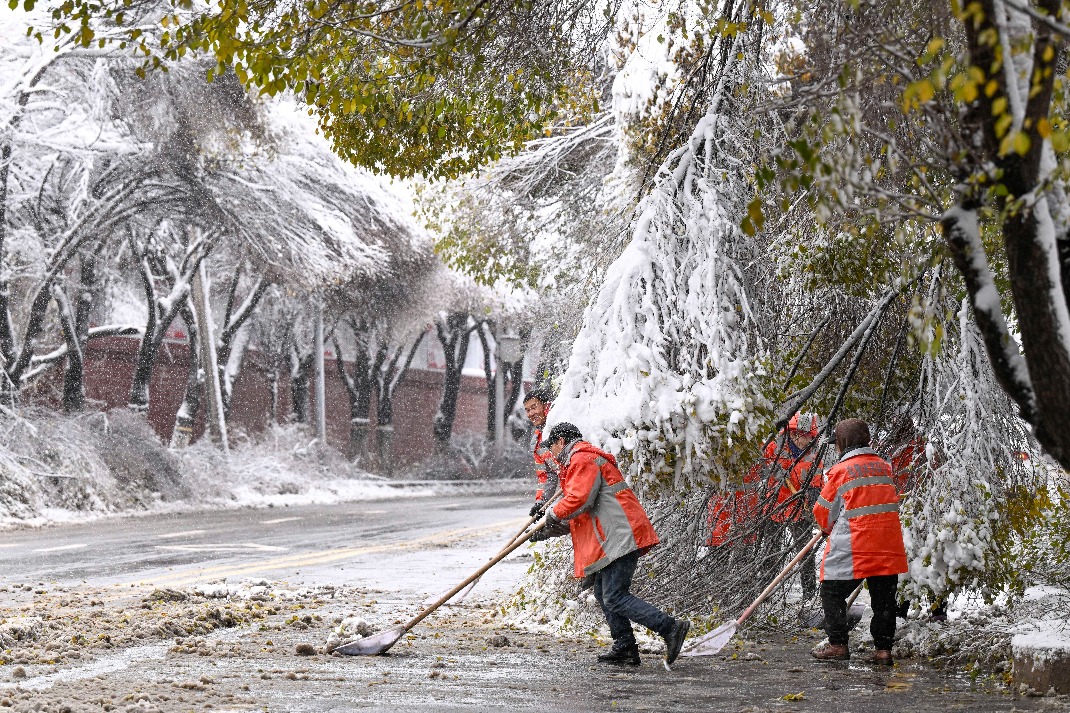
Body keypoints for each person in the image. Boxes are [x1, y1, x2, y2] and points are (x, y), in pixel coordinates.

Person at [531, 422, 690, 667]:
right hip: (611, 538)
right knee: (604, 594)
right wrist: (546, 531)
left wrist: (550, 515)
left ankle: (670, 627)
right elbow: (580, 516)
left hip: (619, 535)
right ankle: (625, 646)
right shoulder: (578, 463)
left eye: (551, 446)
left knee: (614, 595)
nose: (551, 453)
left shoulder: (582, 458)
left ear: (561, 441)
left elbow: (577, 501)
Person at [811, 418, 908, 665]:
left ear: (843, 444)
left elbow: (823, 511)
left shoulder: (841, 472)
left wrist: (826, 528)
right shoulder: (884, 467)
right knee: (883, 599)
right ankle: (883, 651)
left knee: (831, 589)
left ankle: (838, 645)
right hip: (887, 545)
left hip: (855, 546)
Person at [523, 387, 559, 517]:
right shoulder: (538, 442)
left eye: (534, 407)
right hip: (569, 493)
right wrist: (541, 503)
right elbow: (547, 475)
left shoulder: (561, 426)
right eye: (527, 410)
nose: (531, 413)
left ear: (546, 405)